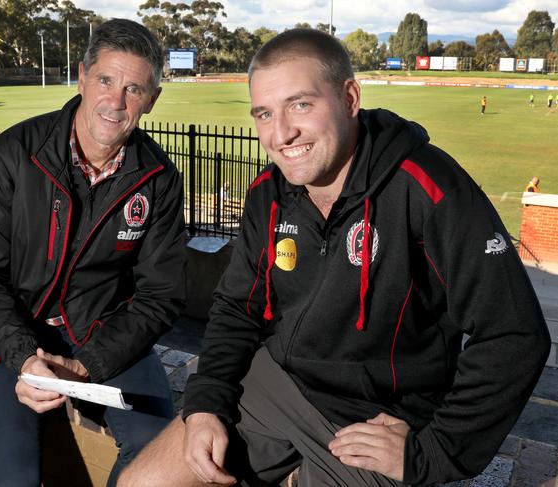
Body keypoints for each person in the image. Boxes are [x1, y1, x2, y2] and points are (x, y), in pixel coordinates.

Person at [118, 29, 550, 487]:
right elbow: (237, 308)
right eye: (265, 113)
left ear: (349, 97)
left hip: (379, 418)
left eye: (301, 104)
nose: (281, 134)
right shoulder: (269, 193)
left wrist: (434, 451)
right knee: (141, 483)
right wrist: (206, 403)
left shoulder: (428, 186)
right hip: (277, 383)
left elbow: (513, 334)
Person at [0, 19, 186, 487]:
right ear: (81, 77)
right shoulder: (15, 152)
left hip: (103, 331)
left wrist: (88, 366)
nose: (115, 103)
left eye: (134, 89)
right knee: (11, 477)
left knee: (162, 453)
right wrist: (23, 357)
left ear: (153, 100)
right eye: (105, 80)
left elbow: (160, 296)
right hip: (12, 331)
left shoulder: (159, 178)